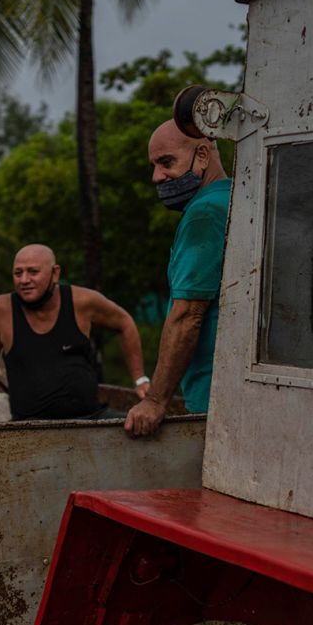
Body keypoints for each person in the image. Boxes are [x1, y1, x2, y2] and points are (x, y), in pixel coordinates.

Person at [124, 119, 231, 438]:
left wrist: (155, 401)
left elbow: (188, 315)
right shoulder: (237, 197)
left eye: (166, 162)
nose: (156, 176)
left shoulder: (204, 214)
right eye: (154, 165)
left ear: (202, 155)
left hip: (213, 400)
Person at [0, 244, 148, 422]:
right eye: (18, 273)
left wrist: (140, 379)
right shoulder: (1, 311)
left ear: (55, 273)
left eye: (33, 272)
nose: (24, 280)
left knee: (143, 429)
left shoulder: (82, 301)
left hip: (89, 420)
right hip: (28, 430)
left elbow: (124, 323)